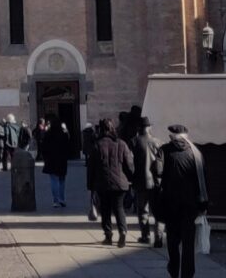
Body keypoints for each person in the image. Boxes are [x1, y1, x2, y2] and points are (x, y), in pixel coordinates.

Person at [153, 124, 210, 278]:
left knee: (172, 241)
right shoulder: (196, 153)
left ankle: (173, 270)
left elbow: (157, 171)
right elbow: (204, 180)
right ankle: (187, 274)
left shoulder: (164, 150)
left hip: (171, 204)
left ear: (171, 136)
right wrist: (204, 205)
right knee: (188, 243)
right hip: (190, 205)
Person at [88, 118, 135, 246]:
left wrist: (90, 185)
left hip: (102, 183)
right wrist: (131, 178)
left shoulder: (97, 145)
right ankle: (123, 231)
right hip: (120, 183)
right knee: (119, 208)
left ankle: (108, 235)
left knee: (105, 210)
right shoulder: (121, 144)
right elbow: (129, 165)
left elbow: (91, 167)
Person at [125, 113, 161, 245]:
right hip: (156, 182)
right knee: (158, 211)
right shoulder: (157, 142)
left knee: (142, 210)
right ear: (149, 127)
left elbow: (129, 162)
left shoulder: (133, 142)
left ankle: (145, 236)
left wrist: (131, 177)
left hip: (140, 181)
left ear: (139, 128)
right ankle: (158, 237)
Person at [39, 118, 71, 208]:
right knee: (62, 180)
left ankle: (55, 200)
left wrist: (45, 158)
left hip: (51, 160)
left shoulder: (48, 134)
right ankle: (62, 199)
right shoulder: (64, 134)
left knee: (54, 180)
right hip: (62, 160)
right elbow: (68, 147)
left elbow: (43, 148)